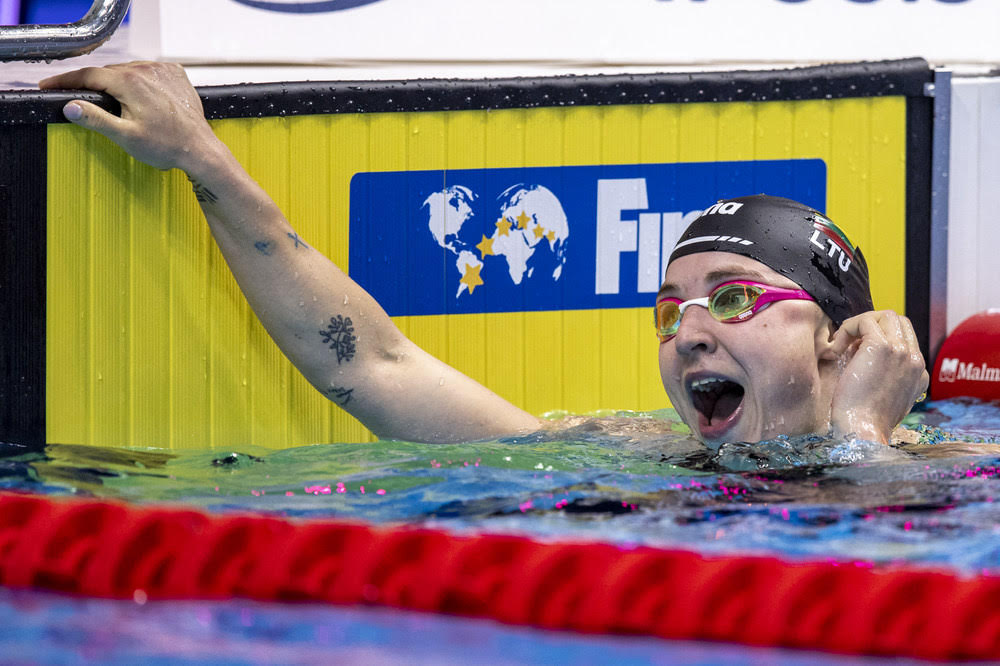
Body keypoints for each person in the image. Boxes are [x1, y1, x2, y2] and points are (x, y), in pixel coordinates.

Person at [38, 62, 929, 448]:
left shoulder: (951, 478)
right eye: (670, 310)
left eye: (731, 299)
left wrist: (860, 435)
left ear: (842, 343)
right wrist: (203, 158)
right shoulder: (633, 459)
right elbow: (379, 370)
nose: (689, 332)